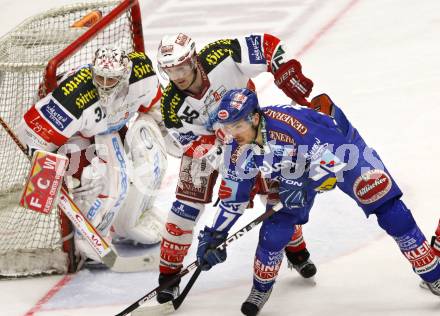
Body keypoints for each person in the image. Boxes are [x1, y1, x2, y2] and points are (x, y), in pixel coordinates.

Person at [196, 88, 440, 315]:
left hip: (344, 150)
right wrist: (215, 235)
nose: (233, 134)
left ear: (255, 119)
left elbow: (333, 169)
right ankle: (260, 288)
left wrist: (301, 183)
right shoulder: (235, 148)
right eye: (228, 128)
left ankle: (433, 274)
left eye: (238, 125)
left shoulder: (291, 128)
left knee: (391, 212)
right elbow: (234, 198)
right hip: (294, 166)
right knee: (275, 230)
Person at [156, 32, 319, 302]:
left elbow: (268, 46)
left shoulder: (220, 55)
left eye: (182, 67)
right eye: (170, 71)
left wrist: (284, 70)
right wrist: (234, 167)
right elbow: (192, 144)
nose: (179, 76)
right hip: (208, 145)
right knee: (184, 208)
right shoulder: (171, 106)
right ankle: (168, 277)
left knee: (277, 194)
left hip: (249, 132)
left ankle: (296, 250)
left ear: (194, 59)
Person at [17, 47, 168, 266]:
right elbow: (31, 137)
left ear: (125, 75)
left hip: (105, 125)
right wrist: (45, 171)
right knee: (95, 178)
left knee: (143, 157)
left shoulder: (142, 73)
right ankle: (86, 239)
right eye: (100, 78)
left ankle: (131, 217)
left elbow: (153, 103)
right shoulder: (73, 98)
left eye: (112, 80)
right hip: (67, 131)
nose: (104, 85)